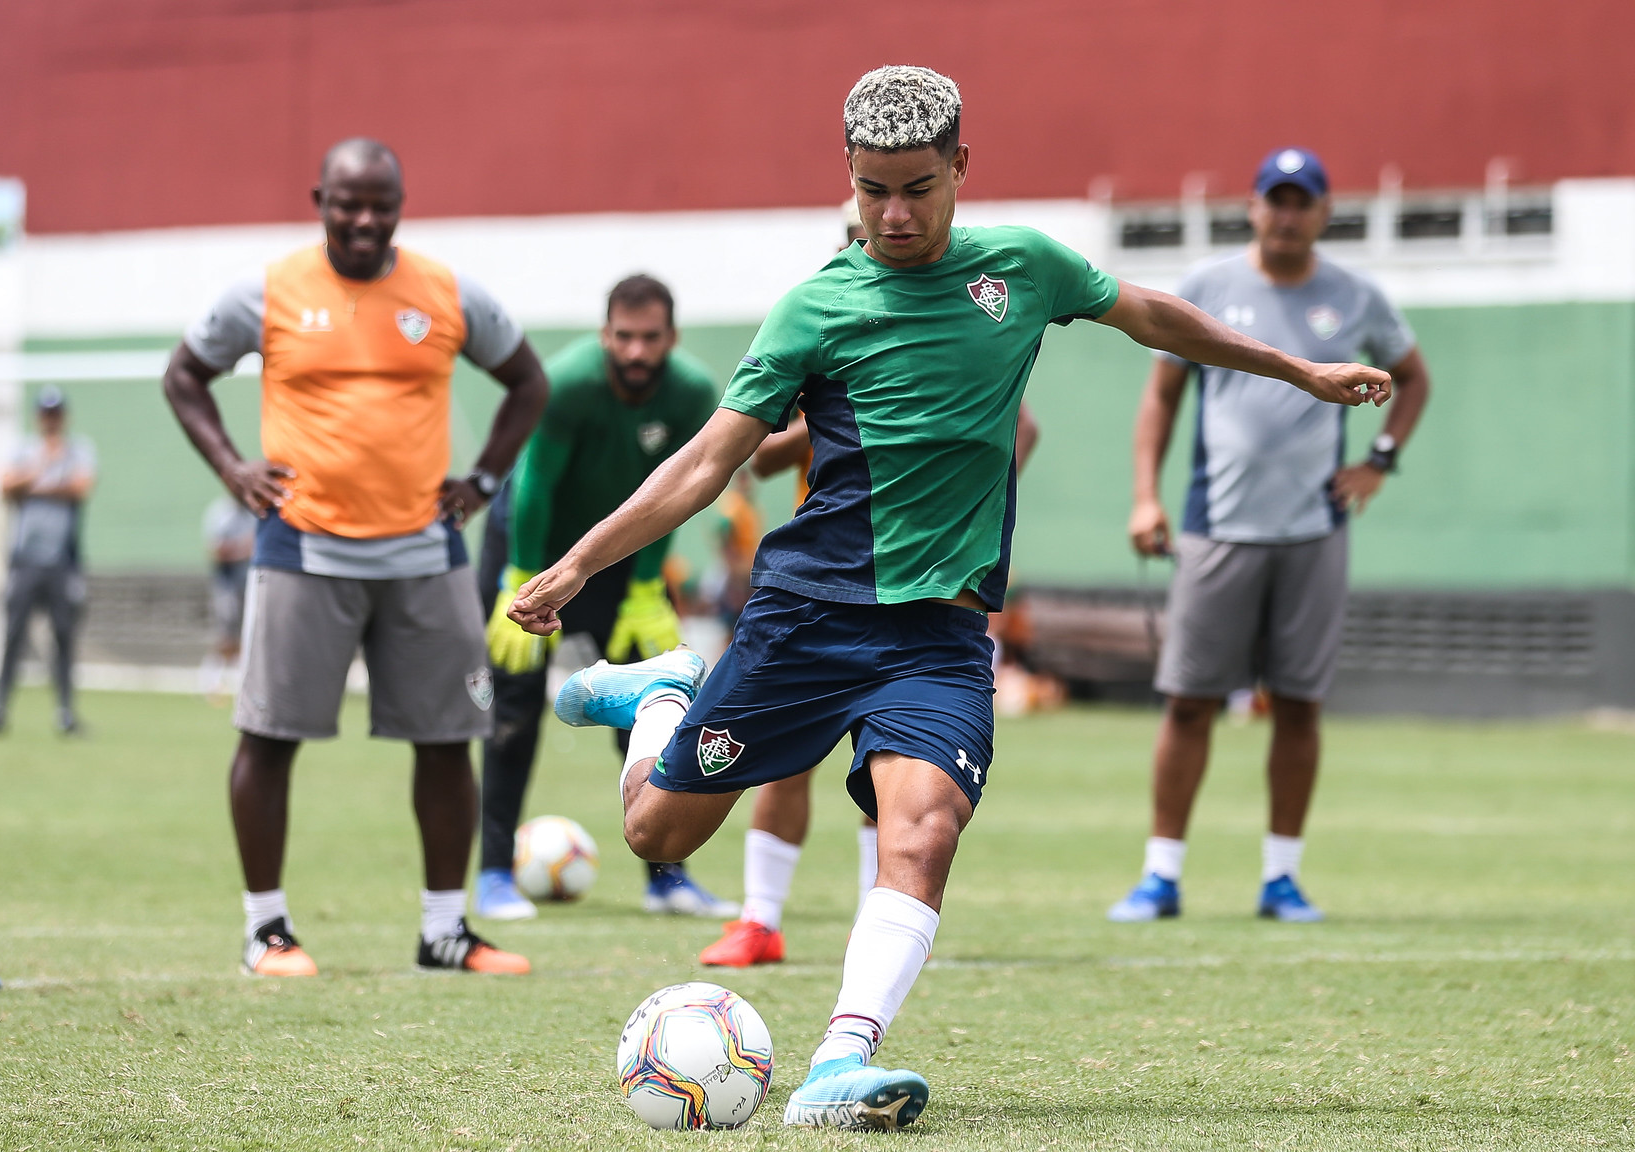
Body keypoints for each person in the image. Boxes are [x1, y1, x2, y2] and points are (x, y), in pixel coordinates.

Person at [511, 66, 1390, 1130]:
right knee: (656, 836)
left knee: (920, 830)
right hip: (807, 616)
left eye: (916, 188)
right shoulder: (814, 308)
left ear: (960, 168)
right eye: (871, 188)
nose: (892, 213)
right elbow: (705, 465)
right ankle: (663, 696)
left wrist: (1296, 370)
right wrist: (576, 564)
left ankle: (842, 1058)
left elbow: (1154, 316)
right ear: (847, 177)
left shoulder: (1021, 268)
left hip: (938, 635)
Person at [161, 138, 550, 977]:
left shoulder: (447, 293)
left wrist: (482, 479)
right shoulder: (267, 292)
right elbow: (184, 375)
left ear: (401, 204)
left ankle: (445, 932)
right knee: (268, 738)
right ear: (320, 200)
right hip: (302, 549)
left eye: (381, 203)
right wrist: (232, 467)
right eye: (348, 202)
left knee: (451, 738)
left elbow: (528, 381)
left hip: (426, 551)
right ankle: (267, 931)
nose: (365, 219)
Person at [700, 198, 1044, 969]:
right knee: (783, 757)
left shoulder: (959, 325)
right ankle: (760, 918)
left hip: (920, 587)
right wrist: (824, 435)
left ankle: (872, 915)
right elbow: (756, 453)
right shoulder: (824, 317)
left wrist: (959, 489)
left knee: (889, 769)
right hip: (818, 578)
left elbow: (1023, 428)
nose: (884, 232)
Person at [1107, 147, 1433, 924]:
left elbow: (1413, 376)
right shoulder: (1210, 288)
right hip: (1216, 529)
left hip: (1313, 532)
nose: (1287, 214)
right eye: (1274, 199)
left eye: (1303, 201)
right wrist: (1145, 498)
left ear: (1324, 212)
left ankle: (1281, 877)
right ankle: (1161, 875)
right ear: (1252, 206)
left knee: (1298, 705)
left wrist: (1380, 460)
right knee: (1189, 702)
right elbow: (1160, 400)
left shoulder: (1354, 297)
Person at [476, 275, 736, 922]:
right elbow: (534, 486)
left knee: (652, 703)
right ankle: (491, 874)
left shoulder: (693, 393)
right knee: (512, 713)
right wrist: (521, 580)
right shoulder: (567, 384)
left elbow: (672, 493)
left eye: (651, 339)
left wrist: (647, 583)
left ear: (671, 339)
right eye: (624, 337)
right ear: (604, 336)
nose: (637, 352)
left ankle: (667, 876)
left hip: (619, 561)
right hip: (531, 551)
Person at [0, 385, 95, 735]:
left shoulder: (80, 449)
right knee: (13, 636)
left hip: (62, 561)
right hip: (24, 560)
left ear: (64, 416)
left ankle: (65, 714)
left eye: (56, 412)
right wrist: (43, 473)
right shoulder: (23, 449)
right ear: (38, 417)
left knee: (64, 637)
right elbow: (4, 486)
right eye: (46, 413)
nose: (51, 419)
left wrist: (32, 484)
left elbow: (80, 487)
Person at [199, 493, 258, 696]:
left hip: (251, 584)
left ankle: (240, 681)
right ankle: (210, 679)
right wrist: (244, 548)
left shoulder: (254, 512)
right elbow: (216, 551)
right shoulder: (221, 513)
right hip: (227, 585)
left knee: (247, 635)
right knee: (226, 635)